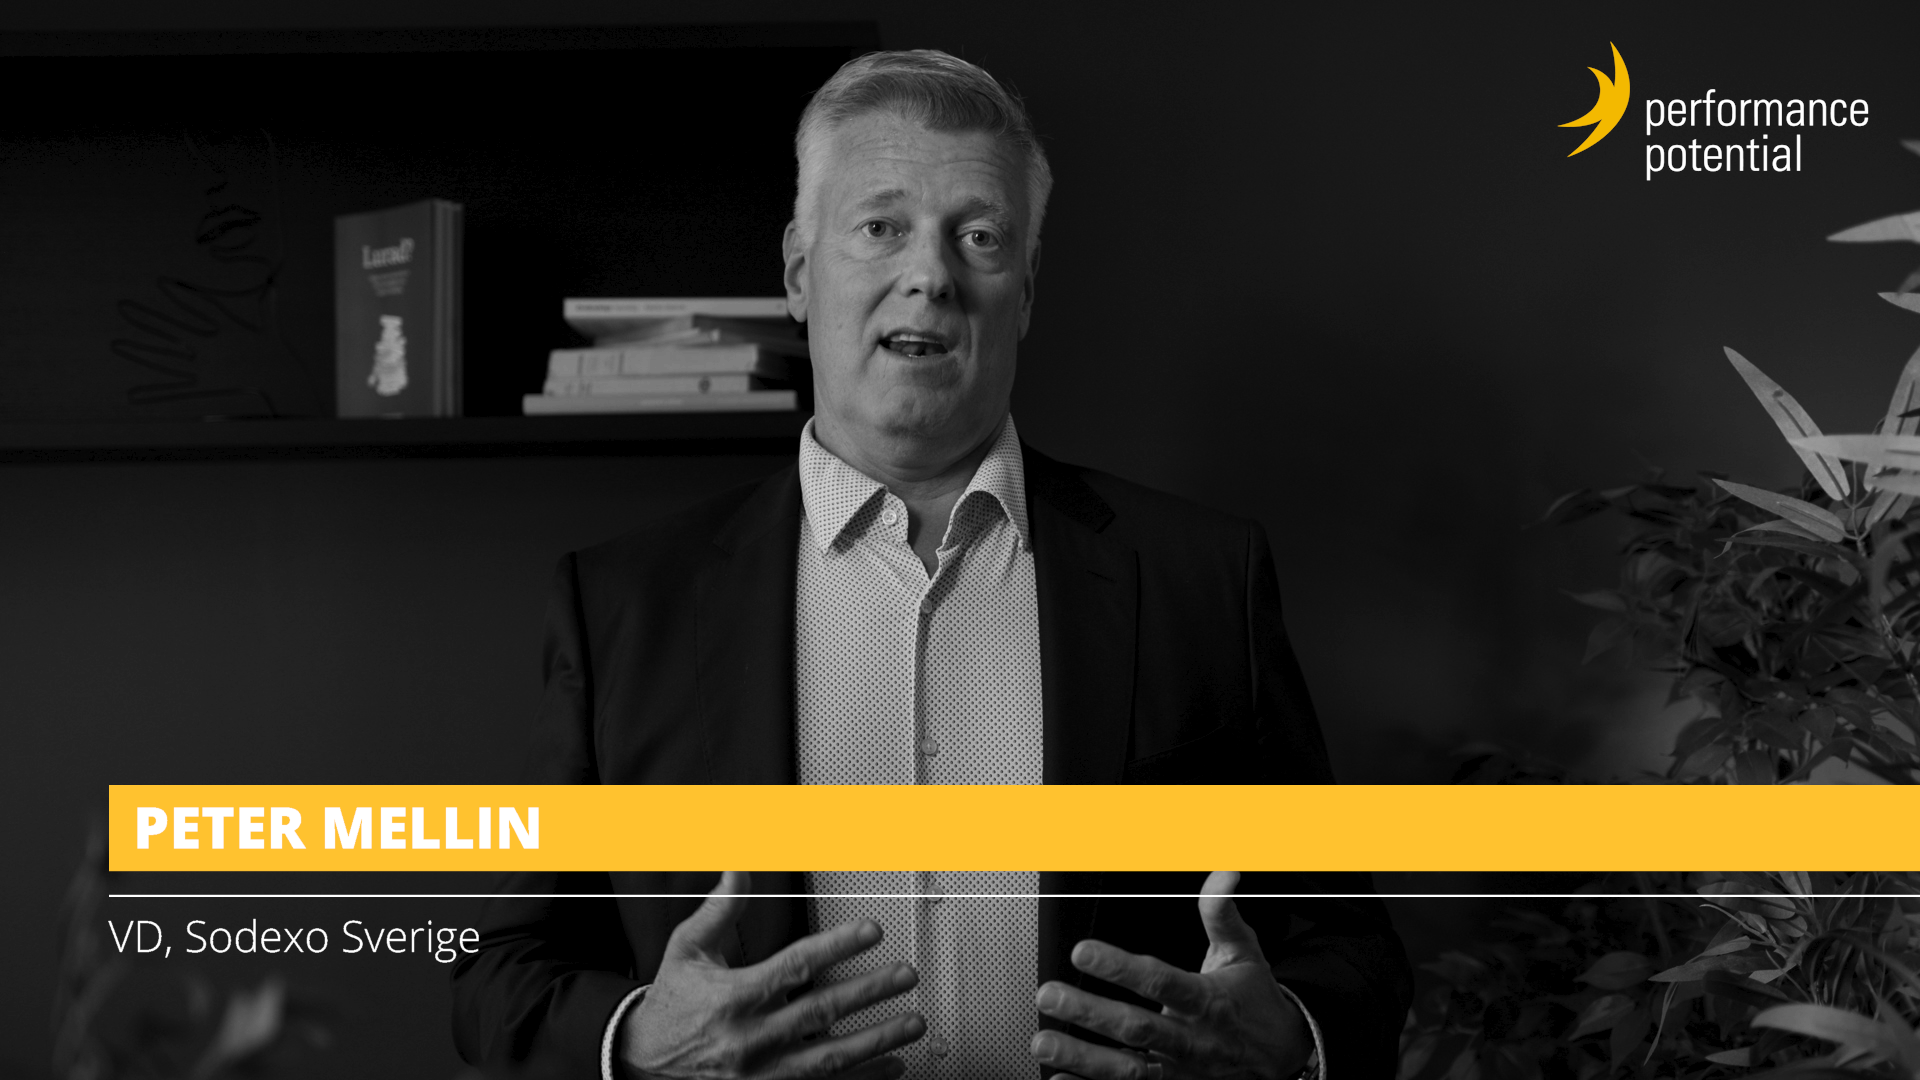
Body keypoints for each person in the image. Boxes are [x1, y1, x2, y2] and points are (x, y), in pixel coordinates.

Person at [451, 50, 1411, 1080]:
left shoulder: (1202, 582)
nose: (931, 275)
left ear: (1024, 291)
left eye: (979, 237)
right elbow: (496, 974)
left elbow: (1352, 950)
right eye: (881, 227)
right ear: (798, 272)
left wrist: (1287, 1035)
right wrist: (644, 1041)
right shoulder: (621, 604)